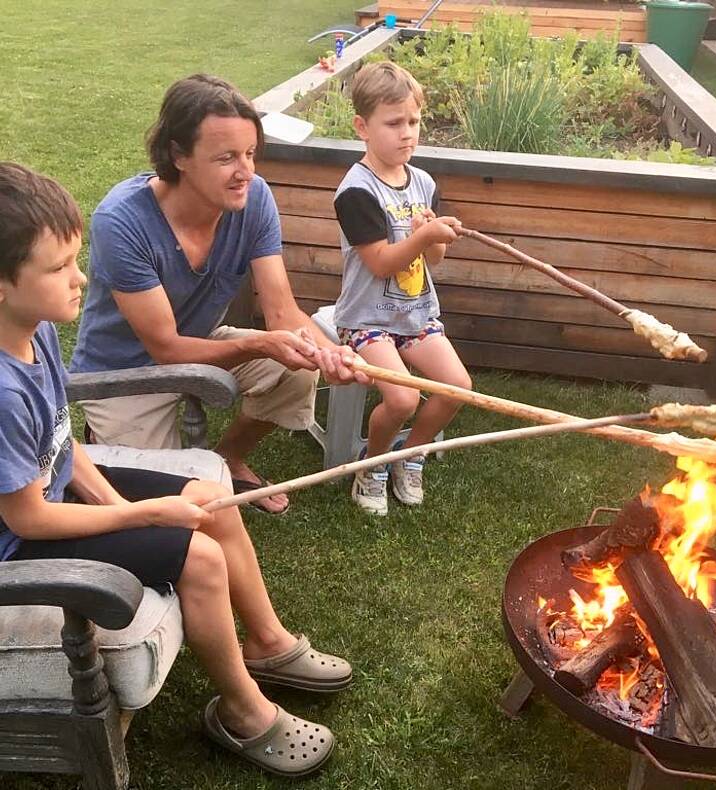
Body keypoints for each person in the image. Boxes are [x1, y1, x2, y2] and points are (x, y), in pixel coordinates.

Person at [0, 162, 349, 777]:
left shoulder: (34, 331)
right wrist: (145, 515)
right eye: (58, 269)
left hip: (50, 502)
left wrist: (113, 511)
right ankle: (243, 714)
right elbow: (26, 514)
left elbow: (59, 444)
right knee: (200, 555)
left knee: (212, 499)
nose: (80, 280)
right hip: (20, 541)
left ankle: (266, 642)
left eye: (75, 260)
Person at [69, 74, 366, 515]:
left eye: (250, 153)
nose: (246, 171)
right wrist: (261, 343)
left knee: (296, 371)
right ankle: (106, 441)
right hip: (124, 372)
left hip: (202, 341)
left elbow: (282, 311)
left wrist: (331, 354)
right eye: (227, 157)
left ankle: (230, 454)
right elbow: (165, 349)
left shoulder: (254, 198)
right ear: (178, 155)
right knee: (168, 505)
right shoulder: (122, 221)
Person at [333, 62, 472, 516]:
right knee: (402, 396)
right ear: (363, 127)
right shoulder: (357, 191)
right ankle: (372, 465)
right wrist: (420, 237)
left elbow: (431, 262)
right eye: (394, 123)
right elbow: (378, 263)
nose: (407, 133)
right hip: (367, 319)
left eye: (413, 122)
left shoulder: (424, 182)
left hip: (414, 314)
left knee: (457, 387)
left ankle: (409, 454)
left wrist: (434, 239)